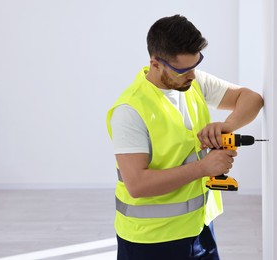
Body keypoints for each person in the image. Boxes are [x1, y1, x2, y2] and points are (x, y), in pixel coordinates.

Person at [106, 14, 263, 260]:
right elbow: (137, 184)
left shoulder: (193, 82)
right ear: (155, 63)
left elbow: (251, 99)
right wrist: (204, 168)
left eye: (195, 65)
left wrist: (226, 125)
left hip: (199, 227)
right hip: (151, 241)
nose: (191, 75)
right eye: (183, 70)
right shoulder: (130, 111)